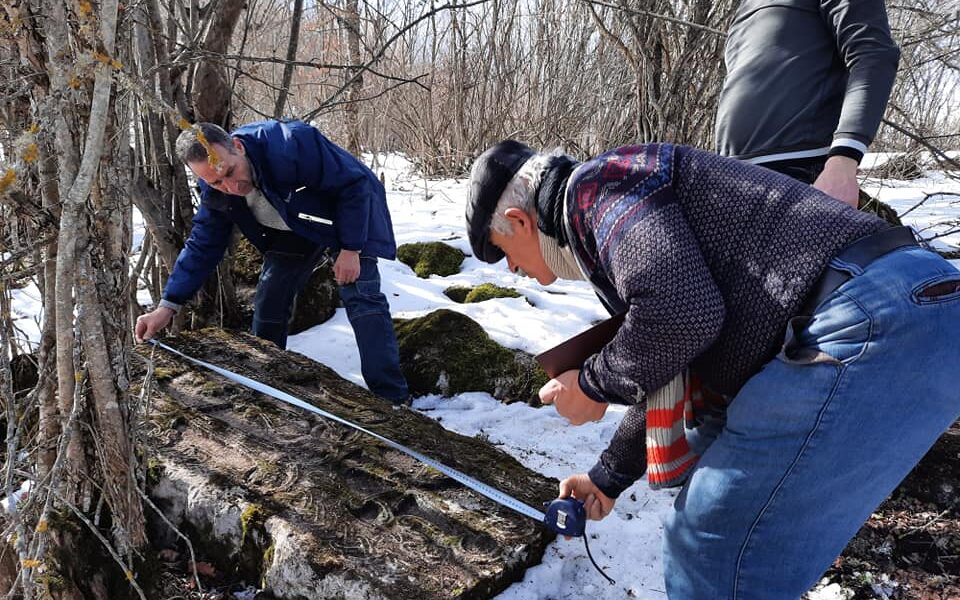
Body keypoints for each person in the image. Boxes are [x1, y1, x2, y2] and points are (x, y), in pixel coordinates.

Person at [466, 139, 960, 597]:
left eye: (504, 253)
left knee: (710, 545)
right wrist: (606, 478)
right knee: (732, 527)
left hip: (866, 318)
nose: (511, 270)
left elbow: (683, 315)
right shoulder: (620, 194)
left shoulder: (602, 188)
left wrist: (592, 384)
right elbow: (675, 352)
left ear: (521, 220)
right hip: (920, 305)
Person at [135, 120, 409, 405]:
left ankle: (392, 398)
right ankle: (267, 386)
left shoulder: (292, 145)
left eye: (230, 172)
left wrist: (351, 249)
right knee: (269, 301)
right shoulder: (216, 190)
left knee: (362, 297)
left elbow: (353, 185)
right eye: (215, 182)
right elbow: (203, 244)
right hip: (290, 231)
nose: (230, 186)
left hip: (348, 219)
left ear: (238, 147)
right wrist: (168, 305)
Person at [715, 0, 900, 207]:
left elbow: (873, 55)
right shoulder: (746, 6)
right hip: (731, 172)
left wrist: (844, 159)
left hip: (796, 170)